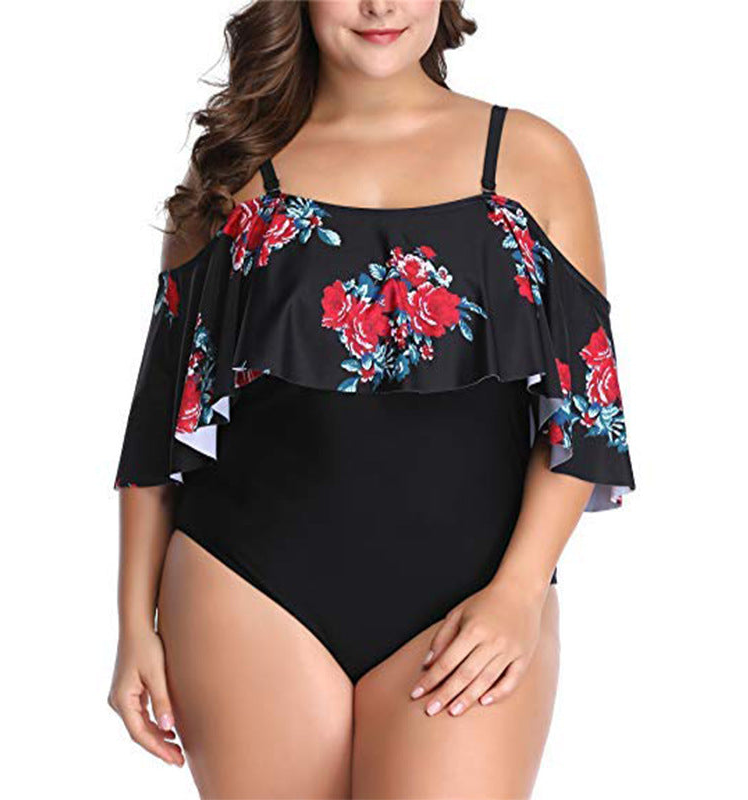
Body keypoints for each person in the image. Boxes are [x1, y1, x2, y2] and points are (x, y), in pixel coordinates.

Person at [107, 1, 636, 797]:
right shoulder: (234, 168)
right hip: (246, 588)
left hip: (473, 598)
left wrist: (520, 590)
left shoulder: (533, 157)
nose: (380, 5)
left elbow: (589, 415)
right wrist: (131, 627)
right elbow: (160, 422)